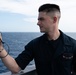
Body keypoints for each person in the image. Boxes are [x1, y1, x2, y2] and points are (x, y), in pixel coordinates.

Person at [0, 3, 76, 75]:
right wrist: (1, 48)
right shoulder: (35, 44)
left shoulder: (73, 45)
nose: (38, 23)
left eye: (41, 19)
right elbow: (16, 68)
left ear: (54, 20)